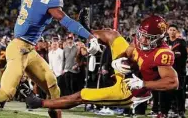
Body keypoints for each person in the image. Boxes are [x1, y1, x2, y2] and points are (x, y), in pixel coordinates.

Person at [25, 15, 179, 110]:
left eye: (148, 37)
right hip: (129, 73)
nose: (142, 40)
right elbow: (130, 51)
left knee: (82, 95)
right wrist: (121, 59)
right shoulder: (140, 40)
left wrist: (143, 84)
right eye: (142, 35)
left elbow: (172, 82)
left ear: (159, 38)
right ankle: (88, 33)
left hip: (130, 90)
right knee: (112, 35)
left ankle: (39, 103)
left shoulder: (162, 53)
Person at [166, 25, 187, 118]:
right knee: (170, 91)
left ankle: (181, 111)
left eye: (174, 30)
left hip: (179, 70)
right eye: (170, 30)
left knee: (180, 91)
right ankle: (172, 110)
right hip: (167, 71)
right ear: (167, 31)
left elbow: (183, 56)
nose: (172, 31)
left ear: (177, 32)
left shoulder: (181, 42)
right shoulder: (164, 42)